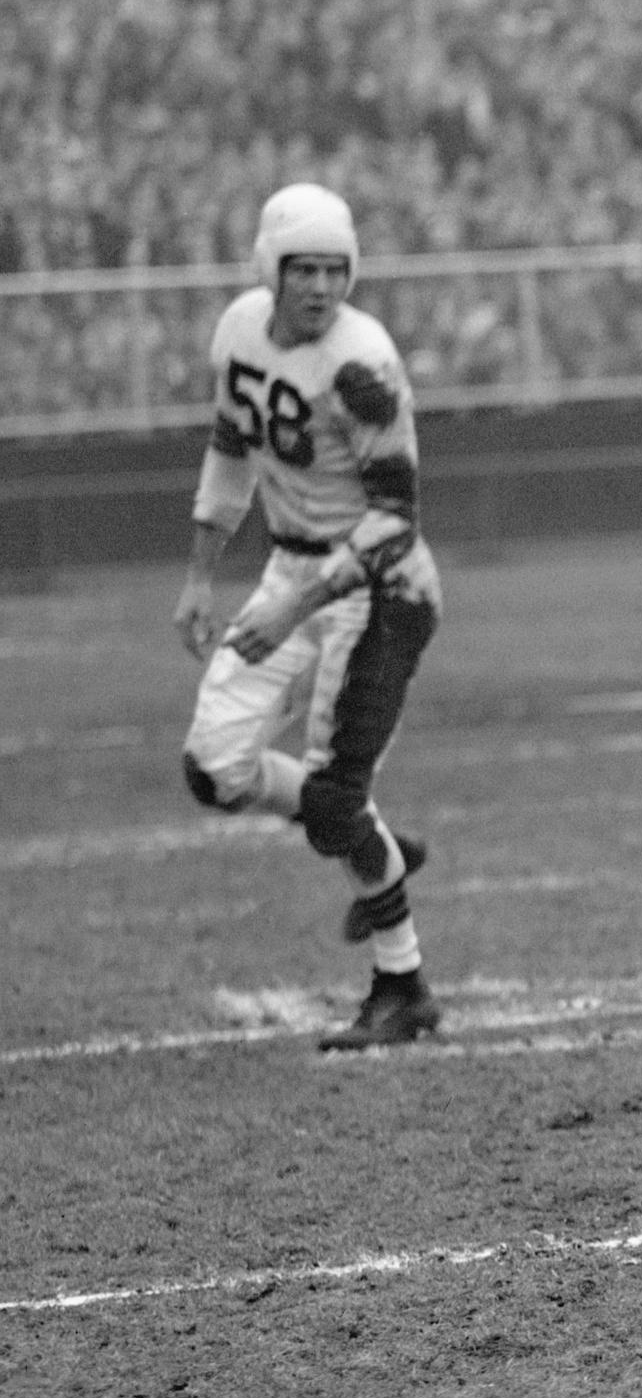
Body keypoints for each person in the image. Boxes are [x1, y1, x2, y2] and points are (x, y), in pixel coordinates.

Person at [172, 183, 445, 1050]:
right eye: (306, 270)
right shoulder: (241, 331)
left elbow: (395, 517)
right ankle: (368, 832)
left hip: (380, 590)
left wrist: (294, 602)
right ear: (271, 270)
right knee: (215, 770)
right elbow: (228, 451)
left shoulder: (363, 363)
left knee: (331, 797)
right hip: (293, 568)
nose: (323, 287)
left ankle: (403, 985)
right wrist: (199, 579)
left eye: (337, 269)